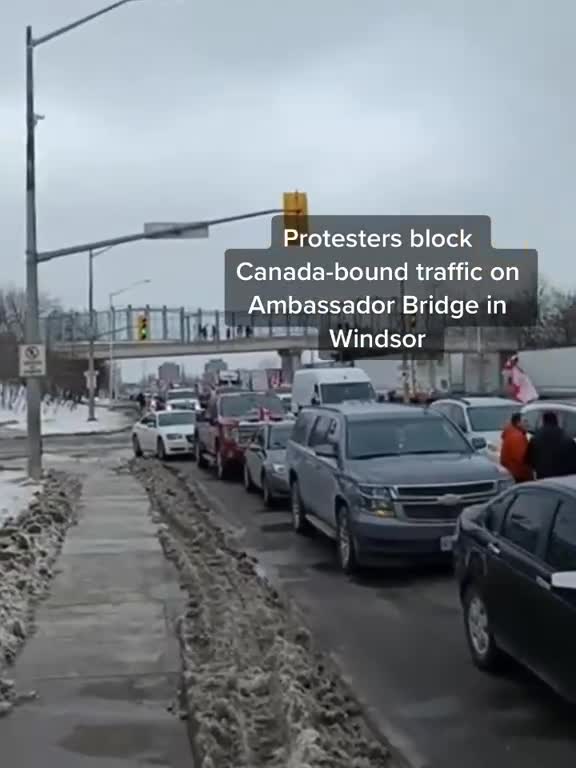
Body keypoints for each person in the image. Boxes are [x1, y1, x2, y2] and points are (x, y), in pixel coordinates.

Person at [525, 411, 576, 479]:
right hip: (562, 476)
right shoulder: (566, 436)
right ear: (556, 421)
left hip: (543, 476)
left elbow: (529, 459)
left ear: (543, 421)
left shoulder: (535, 438)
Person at [500, 413, 532, 482]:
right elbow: (523, 458)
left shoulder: (512, 434)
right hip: (519, 475)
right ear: (518, 423)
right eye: (525, 421)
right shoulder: (517, 437)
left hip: (512, 473)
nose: (528, 424)